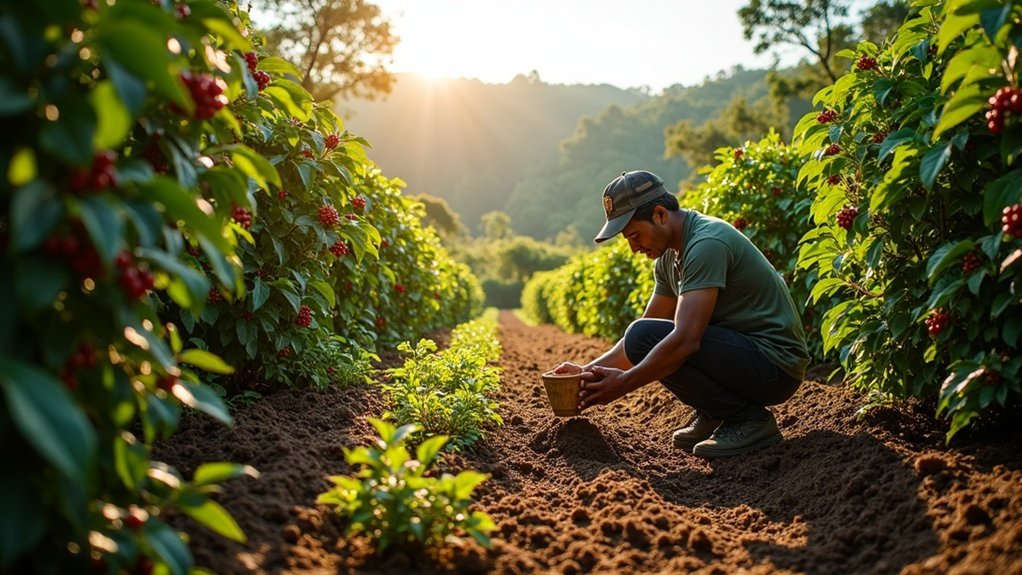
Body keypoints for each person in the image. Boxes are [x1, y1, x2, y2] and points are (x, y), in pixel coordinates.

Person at [553, 170, 809, 458]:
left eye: (635, 235)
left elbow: (686, 340)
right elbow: (647, 332)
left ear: (660, 214)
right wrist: (586, 372)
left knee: (653, 337)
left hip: (774, 366)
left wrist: (624, 383)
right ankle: (715, 412)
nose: (634, 248)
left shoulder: (706, 243)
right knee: (643, 334)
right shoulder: (668, 259)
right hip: (744, 358)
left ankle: (747, 420)